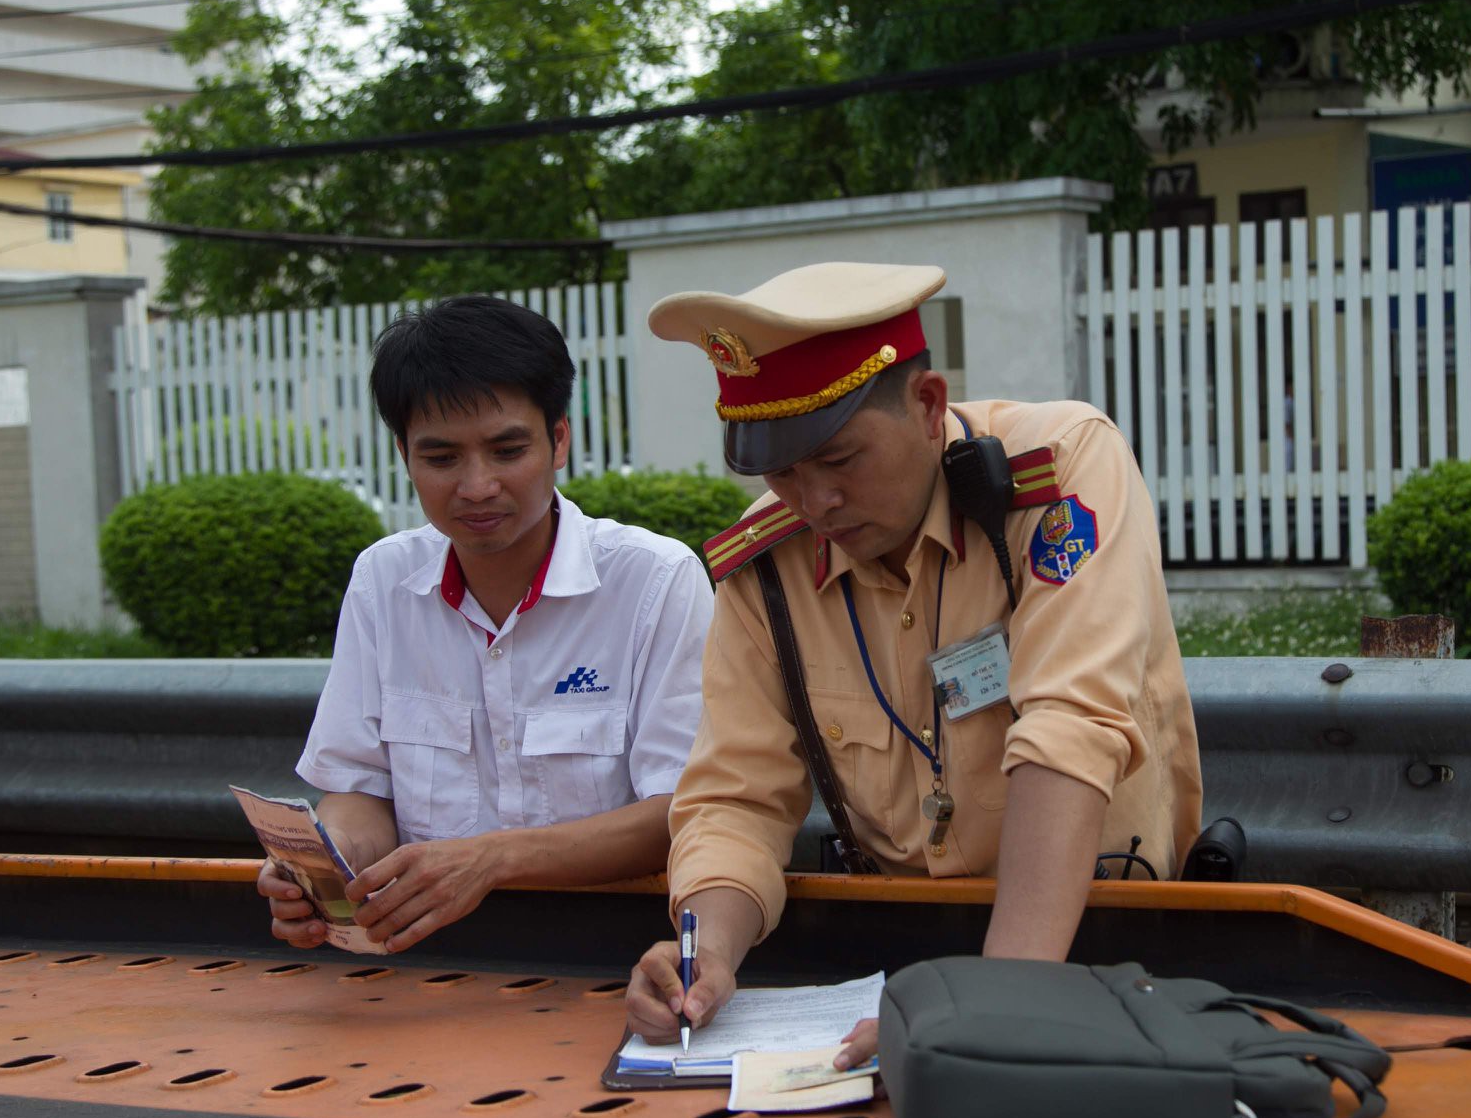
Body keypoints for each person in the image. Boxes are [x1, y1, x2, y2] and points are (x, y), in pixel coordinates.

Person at [623, 262, 1201, 1067]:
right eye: (783, 472)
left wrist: (994, 1011)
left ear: (929, 407)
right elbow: (735, 795)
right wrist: (708, 950)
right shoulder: (766, 566)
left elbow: (1069, 729)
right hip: (896, 958)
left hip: (1098, 937)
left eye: (840, 460)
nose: (814, 503)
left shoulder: (1058, 476)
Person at [258, 296, 712, 953]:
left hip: (621, 954)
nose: (476, 486)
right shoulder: (384, 581)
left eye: (506, 450)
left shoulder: (655, 581)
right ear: (404, 455)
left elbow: (684, 812)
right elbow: (359, 792)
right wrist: (323, 867)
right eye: (441, 459)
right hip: (431, 961)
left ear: (559, 440)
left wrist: (492, 859)